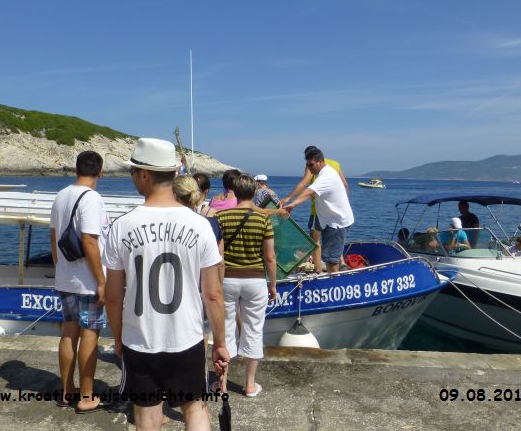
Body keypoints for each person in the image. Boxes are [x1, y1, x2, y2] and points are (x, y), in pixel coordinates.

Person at [104, 138, 229, 431]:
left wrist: (120, 338)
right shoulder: (199, 225)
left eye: (133, 171)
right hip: (186, 339)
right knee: (194, 409)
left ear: (145, 175)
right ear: (174, 173)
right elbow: (212, 295)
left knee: (146, 416)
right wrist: (220, 344)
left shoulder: (121, 226)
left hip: (140, 340)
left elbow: (112, 297)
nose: (132, 177)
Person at [49, 150, 108, 412]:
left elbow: (53, 238)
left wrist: (60, 268)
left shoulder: (61, 196)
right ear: (101, 172)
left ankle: (66, 391)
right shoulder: (92, 198)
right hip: (87, 280)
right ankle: (86, 396)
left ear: (75, 170)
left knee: (68, 332)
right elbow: (90, 241)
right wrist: (102, 280)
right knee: (90, 333)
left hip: (65, 277)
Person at [215, 174, 277, 397]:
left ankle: (222, 384)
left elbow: (218, 255)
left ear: (235, 191)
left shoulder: (221, 216)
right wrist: (273, 284)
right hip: (255, 280)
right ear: (253, 193)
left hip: (228, 279)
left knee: (225, 330)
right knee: (253, 329)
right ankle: (250, 385)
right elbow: (269, 256)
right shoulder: (263, 219)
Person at [284, 147, 354, 273]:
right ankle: (323, 273)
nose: (309, 169)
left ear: (320, 162)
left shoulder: (326, 176)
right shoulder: (325, 171)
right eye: (307, 165)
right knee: (328, 256)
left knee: (331, 259)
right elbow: (345, 185)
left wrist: (292, 204)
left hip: (336, 222)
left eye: (311, 165)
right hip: (327, 219)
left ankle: (333, 285)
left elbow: (308, 191)